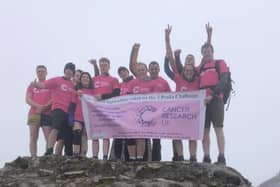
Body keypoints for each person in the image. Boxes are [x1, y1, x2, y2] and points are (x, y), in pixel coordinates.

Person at [165, 25, 200, 162]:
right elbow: (171, 58)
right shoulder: (178, 77)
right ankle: (180, 157)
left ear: (194, 70)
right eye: (187, 69)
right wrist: (167, 39)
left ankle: (192, 157)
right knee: (176, 134)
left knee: (192, 135)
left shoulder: (198, 80)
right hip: (178, 111)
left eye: (191, 70)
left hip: (192, 113)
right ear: (184, 70)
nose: (189, 71)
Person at [32, 62, 76, 155]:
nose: (69, 71)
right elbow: (44, 85)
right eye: (67, 69)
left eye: (71, 70)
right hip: (58, 109)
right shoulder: (57, 80)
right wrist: (36, 85)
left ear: (73, 72)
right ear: (65, 70)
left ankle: (59, 154)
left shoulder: (73, 85)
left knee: (63, 136)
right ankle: (49, 149)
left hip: (68, 113)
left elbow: (75, 98)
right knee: (55, 128)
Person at [198, 39, 229, 165]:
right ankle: (206, 157)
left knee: (218, 128)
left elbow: (224, 80)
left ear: (212, 52)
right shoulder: (200, 68)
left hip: (216, 99)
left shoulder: (220, 63)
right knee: (204, 130)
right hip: (203, 101)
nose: (207, 54)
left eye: (208, 51)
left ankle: (221, 157)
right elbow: (184, 71)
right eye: (204, 52)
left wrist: (213, 94)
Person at [91, 57, 120, 160]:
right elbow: (85, 88)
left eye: (105, 65)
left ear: (109, 67)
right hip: (94, 110)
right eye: (101, 65)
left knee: (106, 133)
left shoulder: (113, 79)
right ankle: (94, 156)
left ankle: (104, 156)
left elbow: (117, 93)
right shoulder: (94, 79)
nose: (103, 67)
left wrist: (103, 97)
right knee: (95, 133)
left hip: (108, 109)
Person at [26, 65, 52, 157]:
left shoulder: (50, 84)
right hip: (34, 114)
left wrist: (45, 106)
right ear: (36, 73)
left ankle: (48, 156)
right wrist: (38, 106)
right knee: (33, 136)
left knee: (48, 137)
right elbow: (27, 99)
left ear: (46, 72)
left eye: (42, 71)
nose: (41, 73)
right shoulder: (32, 85)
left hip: (47, 113)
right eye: (39, 71)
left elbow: (54, 98)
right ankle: (33, 157)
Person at [72, 72, 94, 157]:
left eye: (87, 77)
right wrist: (71, 116)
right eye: (83, 77)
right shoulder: (76, 90)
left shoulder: (93, 91)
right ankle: (76, 154)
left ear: (89, 80)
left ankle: (83, 155)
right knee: (77, 133)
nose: (85, 79)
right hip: (78, 116)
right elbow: (72, 104)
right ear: (80, 79)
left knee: (84, 136)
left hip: (88, 117)